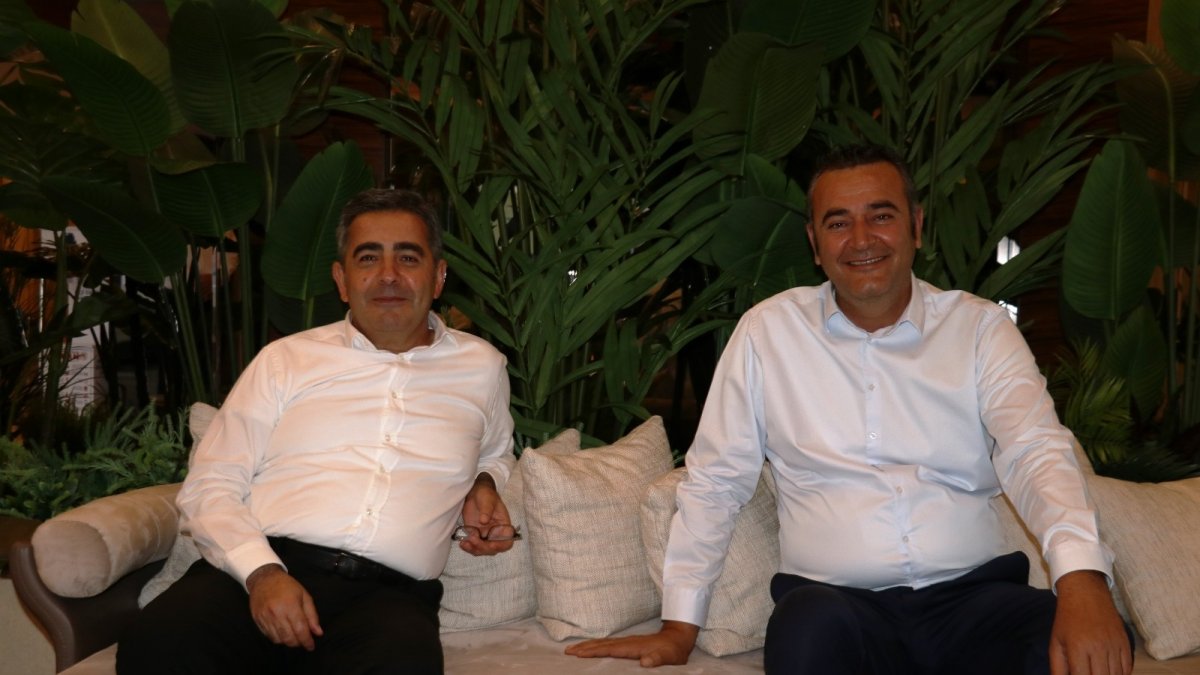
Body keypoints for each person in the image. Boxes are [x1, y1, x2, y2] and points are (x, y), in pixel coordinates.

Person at [566, 144, 1133, 674]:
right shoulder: (767, 334)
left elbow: (1035, 451)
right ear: (815, 244)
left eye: (881, 216)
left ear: (916, 226)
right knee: (805, 635)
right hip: (835, 608)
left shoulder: (980, 328)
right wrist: (679, 626)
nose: (861, 239)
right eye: (838, 223)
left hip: (975, 602)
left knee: (1090, 644)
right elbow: (716, 481)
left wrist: (1082, 579)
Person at [117, 188, 518, 675]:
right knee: (158, 644)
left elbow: (496, 450)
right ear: (342, 280)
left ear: (438, 277)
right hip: (258, 573)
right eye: (367, 258)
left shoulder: (482, 367)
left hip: (387, 600)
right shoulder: (285, 360)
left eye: (408, 257)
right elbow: (212, 483)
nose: (388, 275)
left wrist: (484, 482)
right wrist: (262, 574)